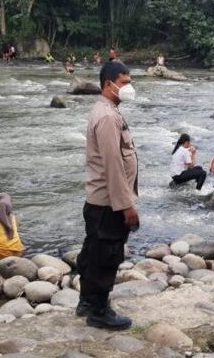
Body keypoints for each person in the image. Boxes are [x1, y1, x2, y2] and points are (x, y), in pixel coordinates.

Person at [75, 61, 139, 330]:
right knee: (106, 255)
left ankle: (87, 302)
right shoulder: (108, 117)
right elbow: (113, 165)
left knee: (93, 252)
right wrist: (126, 206)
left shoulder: (107, 111)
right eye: (124, 83)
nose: (129, 88)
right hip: (109, 203)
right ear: (108, 84)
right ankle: (99, 311)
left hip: (100, 200)